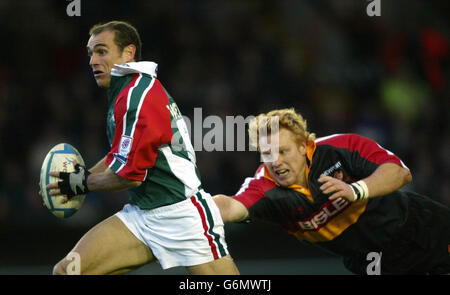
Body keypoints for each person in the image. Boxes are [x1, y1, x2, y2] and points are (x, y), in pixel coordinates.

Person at [46, 21, 239, 275]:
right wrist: (77, 178)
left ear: (128, 53)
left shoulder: (138, 96)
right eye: (90, 53)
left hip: (183, 216)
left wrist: (79, 183)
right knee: (67, 272)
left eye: (102, 51)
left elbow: (129, 177)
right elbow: (118, 157)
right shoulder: (127, 91)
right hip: (142, 215)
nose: (93, 60)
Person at [214, 108, 450, 274]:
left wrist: (356, 189)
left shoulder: (339, 148)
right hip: (371, 259)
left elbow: (400, 173)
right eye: (267, 155)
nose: (275, 162)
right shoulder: (264, 187)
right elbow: (232, 206)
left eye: (282, 152)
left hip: (419, 224)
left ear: (304, 146)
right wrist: (197, 208)